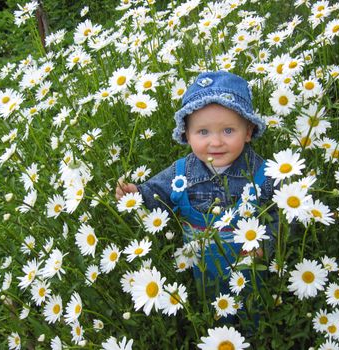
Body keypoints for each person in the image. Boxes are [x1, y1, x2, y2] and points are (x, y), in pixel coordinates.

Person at [116, 71, 276, 309]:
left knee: (251, 309)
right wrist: (136, 194)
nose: (216, 142)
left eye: (228, 131)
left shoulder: (263, 174)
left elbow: (277, 216)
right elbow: (157, 192)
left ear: (249, 131)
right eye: (203, 132)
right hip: (202, 269)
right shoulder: (181, 172)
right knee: (210, 308)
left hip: (250, 269)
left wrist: (265, 245)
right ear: (187, 135)